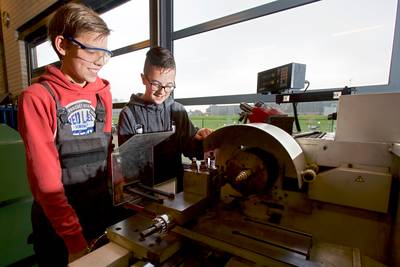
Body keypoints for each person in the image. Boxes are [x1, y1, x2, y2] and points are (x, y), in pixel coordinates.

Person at [18, 3, 128, 266]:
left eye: (105, 52)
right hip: (59, 229)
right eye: (92, 50)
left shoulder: (103, 94)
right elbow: (46, 184)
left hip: (100, 214)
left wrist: (120, 189)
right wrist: (74, 242)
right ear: (62, 45)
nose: (100, 61)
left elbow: (106, 154)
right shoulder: (38, 98)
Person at [118, 46, 212, 192]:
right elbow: (127, 165)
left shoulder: (178, 111)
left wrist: (202, 141)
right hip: (145, 193)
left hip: (176, 190)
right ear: (143, 79)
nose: (162, 91)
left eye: (169, 86)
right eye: (156, 84)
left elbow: (192, 150)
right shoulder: (129, 114)